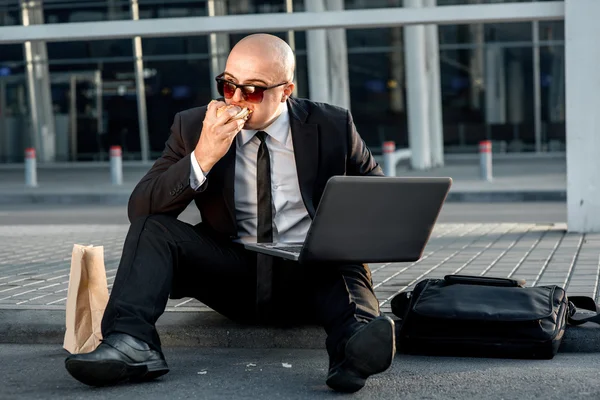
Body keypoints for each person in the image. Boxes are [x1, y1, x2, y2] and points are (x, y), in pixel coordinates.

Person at [64, 33, 395, 393]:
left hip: (310, 273)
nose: (236, 99)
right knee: (152, 229)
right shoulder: (193, 126)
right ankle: (131, 344)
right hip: (233, 271)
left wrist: (342, 237)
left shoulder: (332, 125)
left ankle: (353, 350)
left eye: (251, 91)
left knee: (344, 264)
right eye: (228, 85)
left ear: (285, 91)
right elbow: (140, 208)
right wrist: (203, 156)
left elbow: (376, 200)